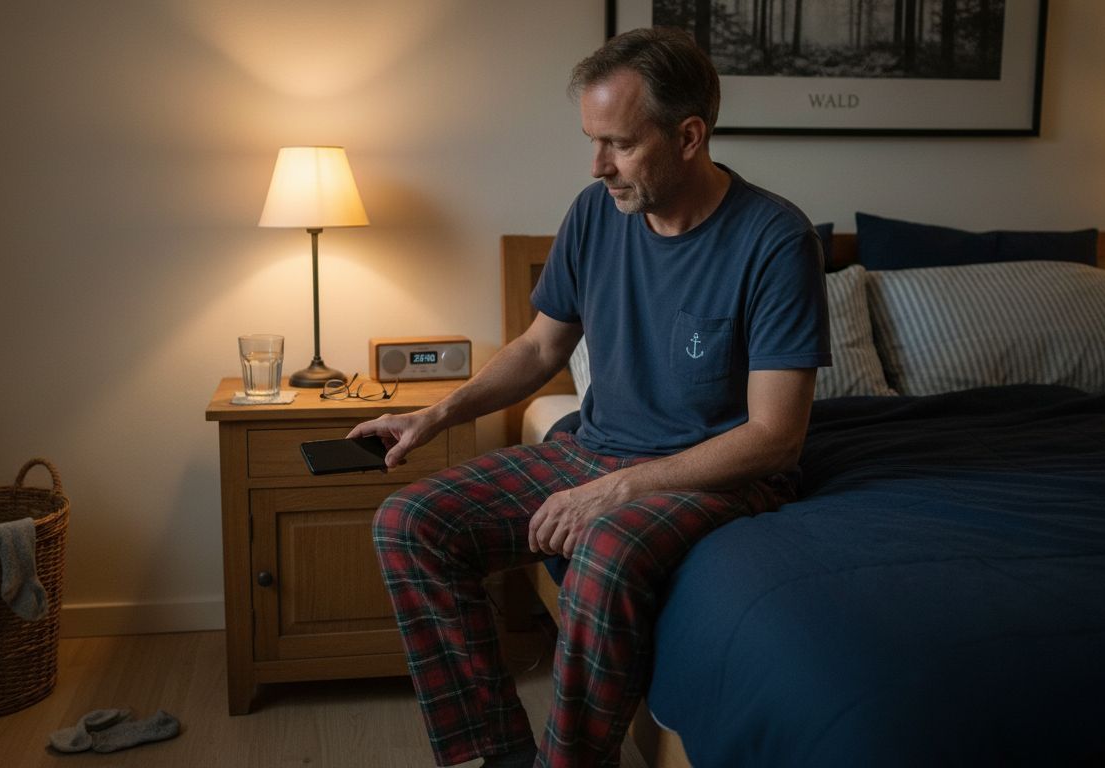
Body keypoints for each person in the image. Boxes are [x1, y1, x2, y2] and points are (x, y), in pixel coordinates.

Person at [352, 26, 830, 768]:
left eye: (619, 144)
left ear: (690, 135)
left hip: (717, 471)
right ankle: (497, 753)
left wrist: (619, 489)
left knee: (602, 551)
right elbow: (542, 348)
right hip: (596, 446)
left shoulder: (775, 239)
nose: (598, 165)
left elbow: (776, 438)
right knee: (410, 522)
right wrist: (435, 412)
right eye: (592, 141)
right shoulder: (594, 214)